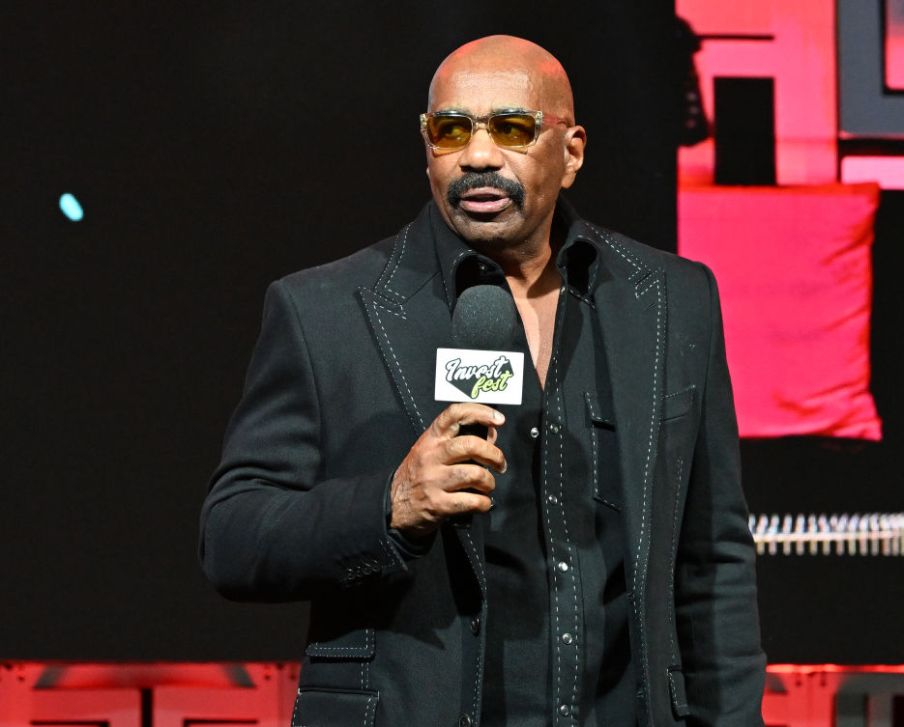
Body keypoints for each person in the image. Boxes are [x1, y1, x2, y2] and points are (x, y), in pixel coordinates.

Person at [200, 35, 765, 727]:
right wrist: (387, 505)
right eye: (451, 130)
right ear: (426, 145)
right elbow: (231, 537)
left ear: (573, 151)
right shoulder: (324, 311)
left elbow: (712, 558)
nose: (477, 155)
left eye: (512, 128)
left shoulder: (672, 302)